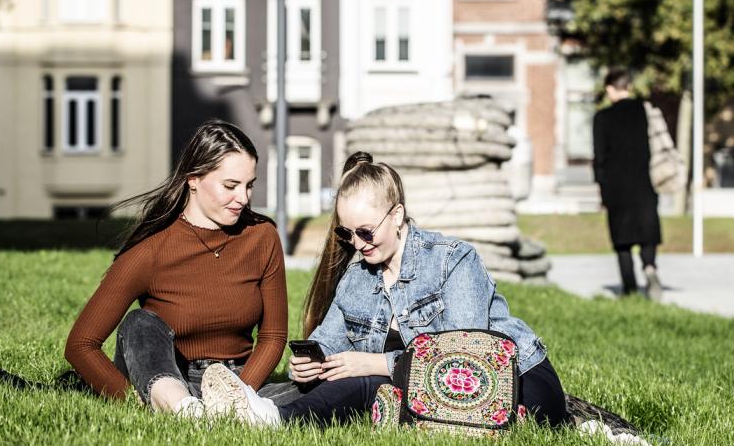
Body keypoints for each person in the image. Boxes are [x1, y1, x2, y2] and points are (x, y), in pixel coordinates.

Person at [201, 151, 573, 429]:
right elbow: (329, 341)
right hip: (417, 389)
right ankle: (272, 418)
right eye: (347, 233)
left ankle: (263, 413)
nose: (358, 243)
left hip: (514, 378)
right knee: (361, 382)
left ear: (396, 216)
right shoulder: (357, 278)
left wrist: (378, 363)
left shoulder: (453, 260)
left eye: (366, 231)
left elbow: (467, 357)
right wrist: (311, 364)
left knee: (373, 377)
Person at [63, 119, 287, 416]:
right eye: (231, 186)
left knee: (338, 389)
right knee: (138, 323)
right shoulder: (152, 249)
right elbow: (81, 345)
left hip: (240, 381)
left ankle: (219, 412)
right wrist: (131, 399)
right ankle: (182, 410)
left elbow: (273, 337)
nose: (243, 198)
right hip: (167, 379)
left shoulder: (263, 236)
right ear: (193, 179)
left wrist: (238, 397)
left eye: (249, 186)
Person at [591, 68, 664, 300]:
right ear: (629, 87)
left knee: (622, 241)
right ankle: (650, 267)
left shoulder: (602, 118)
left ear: (610, 88)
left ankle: (630, 288)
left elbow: (599, 158)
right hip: (643, 182)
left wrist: (602, 191)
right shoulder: (643, 111)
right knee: (647, 234)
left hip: (616, 186)